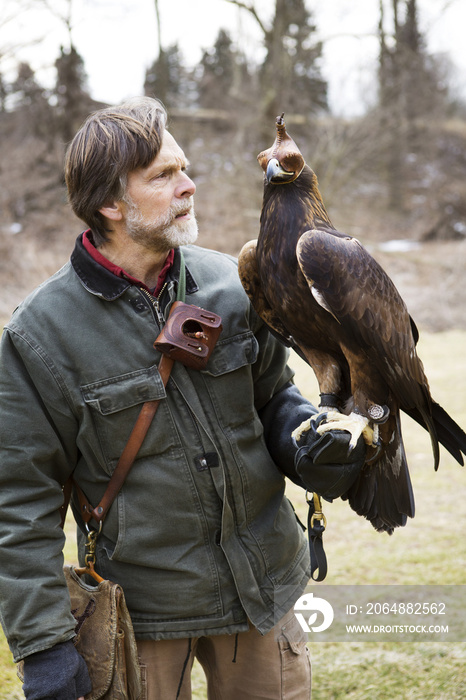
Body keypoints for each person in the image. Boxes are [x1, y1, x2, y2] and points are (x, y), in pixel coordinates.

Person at [0, 97, 364, 700]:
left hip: (262, 592)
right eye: (164, 176)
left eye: (184, 168)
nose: (189, 186)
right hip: (142, 614)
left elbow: (273, 395)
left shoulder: (233, 279)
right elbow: (18, 500)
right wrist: (42, 647)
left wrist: (305, 443)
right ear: (108, 205)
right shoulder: (39, 336)